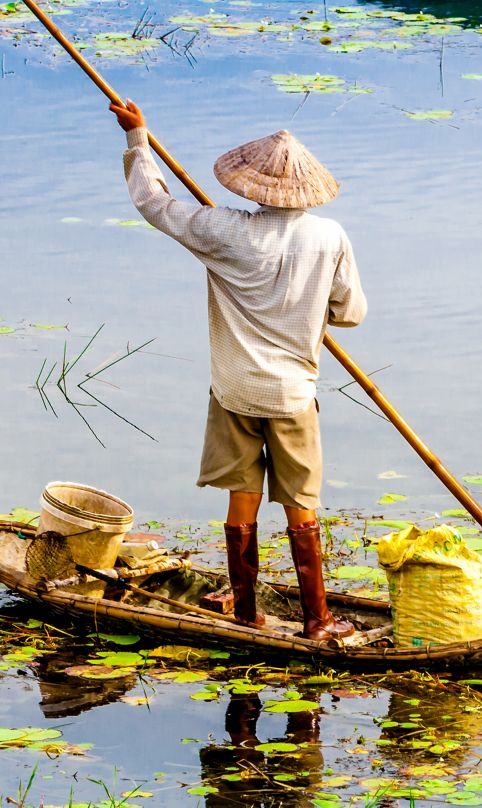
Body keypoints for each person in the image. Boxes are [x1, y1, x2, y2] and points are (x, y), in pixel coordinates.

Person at [111, 99, 365, 640]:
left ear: (251, 188)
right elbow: (351, 313)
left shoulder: (223, 230)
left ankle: (248, 612)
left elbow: (156, 206)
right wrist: (314, 310)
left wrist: (139, 139)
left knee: (242, 499)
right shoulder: (330, 237)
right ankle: (317, 621)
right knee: (301, 504)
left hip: (234, 389)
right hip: (294, 393)